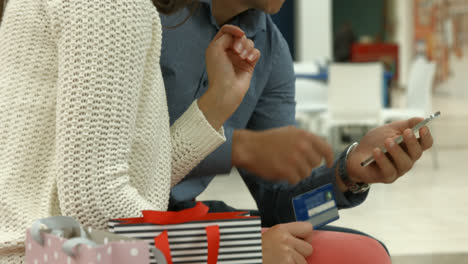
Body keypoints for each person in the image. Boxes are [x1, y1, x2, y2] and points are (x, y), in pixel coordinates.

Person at [160, 0, 434, 262]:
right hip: (130, 228)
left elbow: (281, 210)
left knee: (365, 254)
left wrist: (347, 176)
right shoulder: (145, 14)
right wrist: (240, 148)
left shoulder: (271, 51)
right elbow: (122, 167)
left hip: (183, 220)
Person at [0, 0, 263, 262]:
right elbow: (95, 204)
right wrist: (238, 248)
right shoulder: (111, 6)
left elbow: (128, 182)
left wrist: (219, 101)